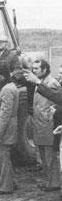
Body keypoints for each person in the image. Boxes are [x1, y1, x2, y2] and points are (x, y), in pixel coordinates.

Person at [29, 60, 61, 191]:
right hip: (39, 124)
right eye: (33, 68)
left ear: (44, 70)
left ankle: (54, 183)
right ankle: (49, 181)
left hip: (49, 124)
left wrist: (51, 112)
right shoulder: (39, 83)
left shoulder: (52, 83)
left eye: (36, 68)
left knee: (50, 156)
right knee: (43, 155)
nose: (34, 71)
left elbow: (57, 100)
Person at [0, 62, 19, 195]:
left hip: (5, 129)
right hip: (7, 127)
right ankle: (11, 183)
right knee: (4, 156)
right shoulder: (7, 86)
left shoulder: (6, 89)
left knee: (2, 157)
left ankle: (5, 187)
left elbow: (4, 114)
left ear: (1, 73)